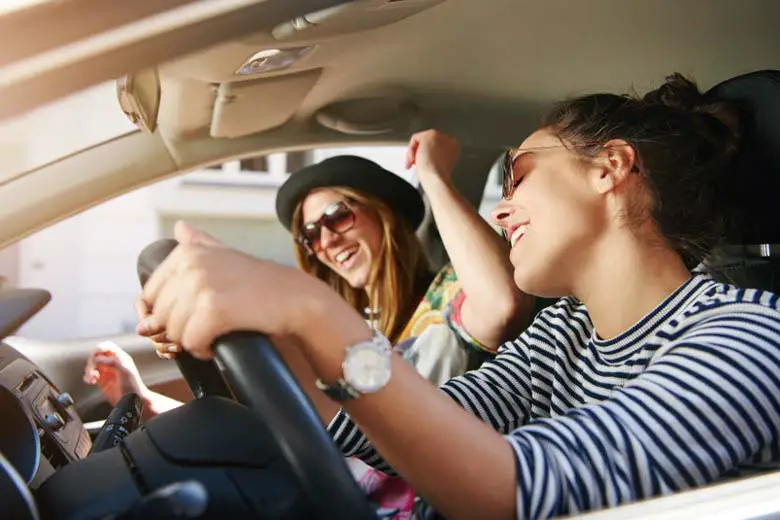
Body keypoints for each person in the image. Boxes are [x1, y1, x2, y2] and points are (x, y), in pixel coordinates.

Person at [135, 73, 780, 519]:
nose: (501, 210)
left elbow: (524, 493)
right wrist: (268, 338)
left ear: (610, 167)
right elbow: (402, 422)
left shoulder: (750, 336)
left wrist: (313, 313)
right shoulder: (565, 335)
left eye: (518, 173)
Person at [85, 138, 534, 517]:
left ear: (385, 214)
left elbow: (500, 306)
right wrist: (147, 402)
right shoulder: (354, 325)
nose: (326, 240)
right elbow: (295, 422)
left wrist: (435, 175)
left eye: (338, 216)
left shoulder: (446, 295)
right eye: (310, 235)